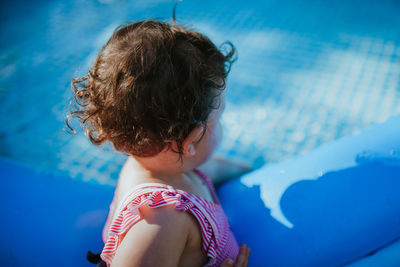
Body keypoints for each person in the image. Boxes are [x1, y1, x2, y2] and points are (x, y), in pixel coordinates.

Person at [67, 19, 250, 267]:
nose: (223, 126)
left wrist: (250, 171)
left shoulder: (153, 162)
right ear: (192, 140)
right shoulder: (162, 222)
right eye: (219, 119)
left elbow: (211, 169)